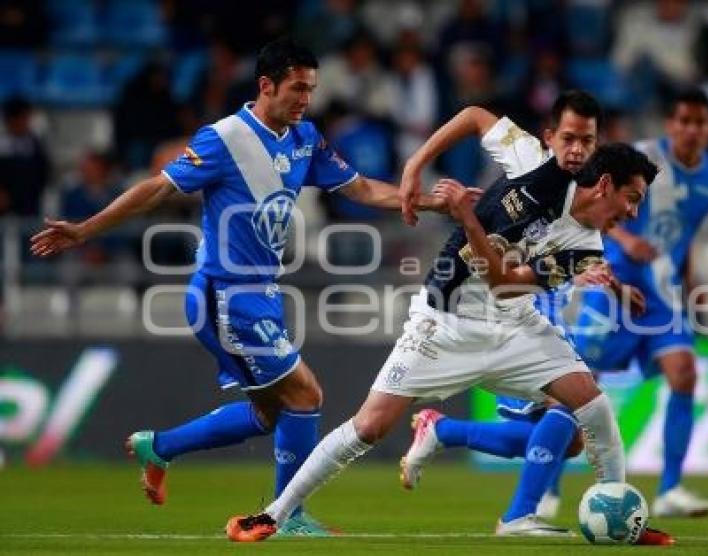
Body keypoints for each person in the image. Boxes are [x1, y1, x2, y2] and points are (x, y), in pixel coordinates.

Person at [30, 36, 444, 536]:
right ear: (266, 85)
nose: (304, 99)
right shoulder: (224, 138)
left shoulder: (304, 138)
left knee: (271, 413)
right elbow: (156, 189)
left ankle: (160, 446)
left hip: (259, 295)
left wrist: (430, 202)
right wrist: (84, 229)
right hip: (224, 294)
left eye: (310, 89)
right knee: (305, 395)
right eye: (296, 88)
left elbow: (359, 188)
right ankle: (287, 516)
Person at [225, 138, 669, 543]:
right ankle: (273, 515)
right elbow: (476, 115)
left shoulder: (588, 249)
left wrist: (468, 217)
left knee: (592, 403)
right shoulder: (541, 171)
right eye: (631, 199)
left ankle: (619, 510)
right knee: (370, 427)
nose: (632, 213)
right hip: (444, 323)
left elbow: (504, 286)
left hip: (514, 325)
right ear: (605, 184)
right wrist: (417, 163)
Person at [398, 90, 603, 536]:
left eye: (586, 140)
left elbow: (590, 240)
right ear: (551, 138)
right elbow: (473, 114)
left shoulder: (588, 190)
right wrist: (415, 165)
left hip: (535, 305)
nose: (577, 149)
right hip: (502, 311)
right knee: (569, 410)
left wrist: (607, 276)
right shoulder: (528, 154)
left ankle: (444, 432)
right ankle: (519, 515)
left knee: (566, 437)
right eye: (569, 138)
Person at [568, 89, 708, 517]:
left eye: (700, 122)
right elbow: (594, 202)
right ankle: (542, 491)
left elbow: (685, 232)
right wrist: (623, 237)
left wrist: (692, 280)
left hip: (662, 293)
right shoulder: (642, 159)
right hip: (615, 282)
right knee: (576, 388)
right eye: (684, 121)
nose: (692, 130)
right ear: (671, 125)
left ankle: (671, 489)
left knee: (684, 373)